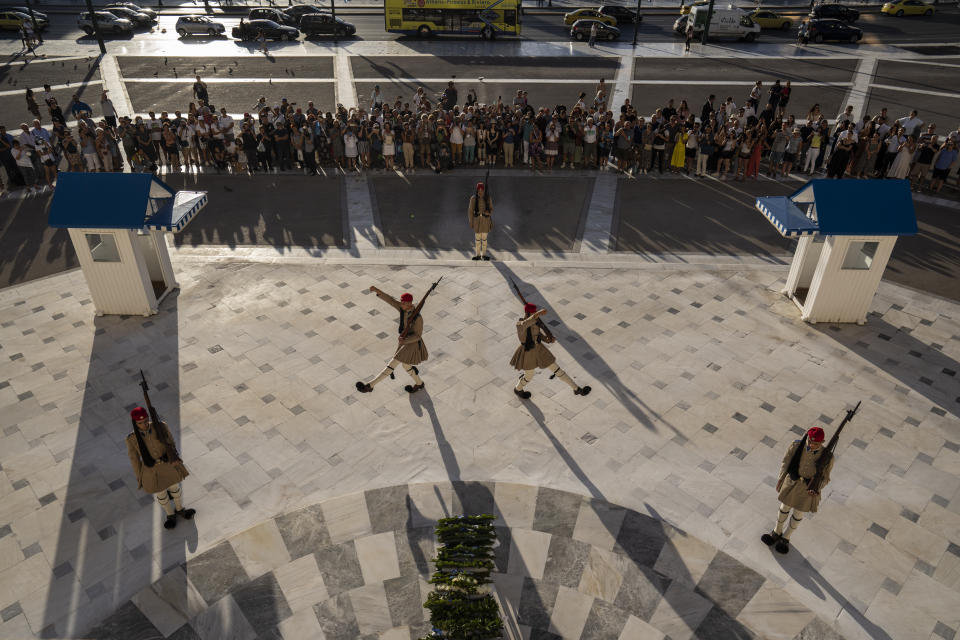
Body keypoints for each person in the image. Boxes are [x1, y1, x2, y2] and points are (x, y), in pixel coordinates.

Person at [761, 427, 833, 554]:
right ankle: (776, 532)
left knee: (798, 514)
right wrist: (780, 479)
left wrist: (816, 488)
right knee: (784, 508)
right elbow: (786, 462)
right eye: (810, 441)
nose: (812, 445)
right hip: (792, 482)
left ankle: (786, 537)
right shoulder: (796, 445)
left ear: (822, 442)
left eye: (816, 443)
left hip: (808, 488)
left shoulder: (828, 457)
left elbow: (825, 477)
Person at [126, 407, 195, 531]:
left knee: (175, 488)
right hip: (150, 469)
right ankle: (170, 515)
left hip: (166, 463)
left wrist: (174, 457)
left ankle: (180, 509)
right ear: (135, 423)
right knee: (161, 493)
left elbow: (171, 442)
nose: (144, 424)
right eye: (140, 423)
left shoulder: (160, 426)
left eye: (146, 421)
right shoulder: (131, 438)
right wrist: (139, 476)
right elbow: (134, 459)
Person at [356, 287, 428, 394]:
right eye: (402, 302)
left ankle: (370, 385)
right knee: (405, 365)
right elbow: (391, 301)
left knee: (392, 364)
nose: (401, 304)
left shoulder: (418, 318)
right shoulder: (403, 308)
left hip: (411, 344)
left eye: (403, 303)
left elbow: (418, 336)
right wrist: (378, 291)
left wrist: (405, 340)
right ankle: (419, 383)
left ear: (409, 303)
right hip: (404, 342)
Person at [512, 303, 591, 399]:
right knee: (529, 376)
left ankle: (576, 389)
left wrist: (548, 339)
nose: (535, 314)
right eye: (533, 312)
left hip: (540, 350)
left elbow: (538, 335)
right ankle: (518, 389)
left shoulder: (534, 322)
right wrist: (537, 314)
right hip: (528, 353)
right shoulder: (520, 324)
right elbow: (527, 323)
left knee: (557, 369)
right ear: (527, 313)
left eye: (535, 312)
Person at [468, 182, 493, 261]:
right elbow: (470, 211)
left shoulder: (487, 198)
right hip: (477, 221)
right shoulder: (473, 198)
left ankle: (484, 255)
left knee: (484, 239)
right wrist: (471, 222)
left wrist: (488, 212)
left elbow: (491, 209)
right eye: (479, 189)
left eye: (482, 189)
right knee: (477, 239)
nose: (480, 191)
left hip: (485, 220)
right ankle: (478, 255)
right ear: (477, 189)